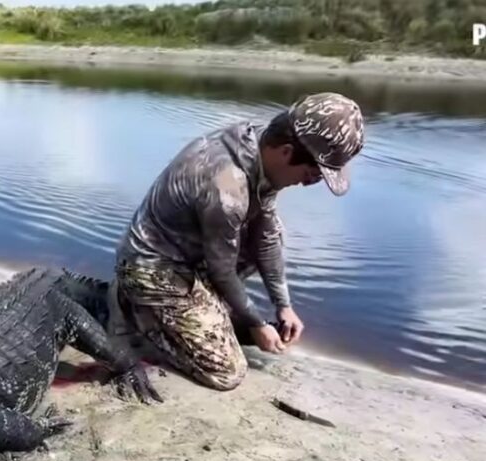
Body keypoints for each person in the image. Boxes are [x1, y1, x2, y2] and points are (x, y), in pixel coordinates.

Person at [108, 92, 365, 392]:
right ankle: (138, 317)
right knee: (227, 371)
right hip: (151, 266)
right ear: (286, 152)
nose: (310, 183)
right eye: (312, 175)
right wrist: (256, 323)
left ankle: (197, 311)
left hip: (192, 254)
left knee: (273, 230)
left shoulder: (260, 145)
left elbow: (266, 238)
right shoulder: (227, 186)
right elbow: (222, 270)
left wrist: (284, 306)